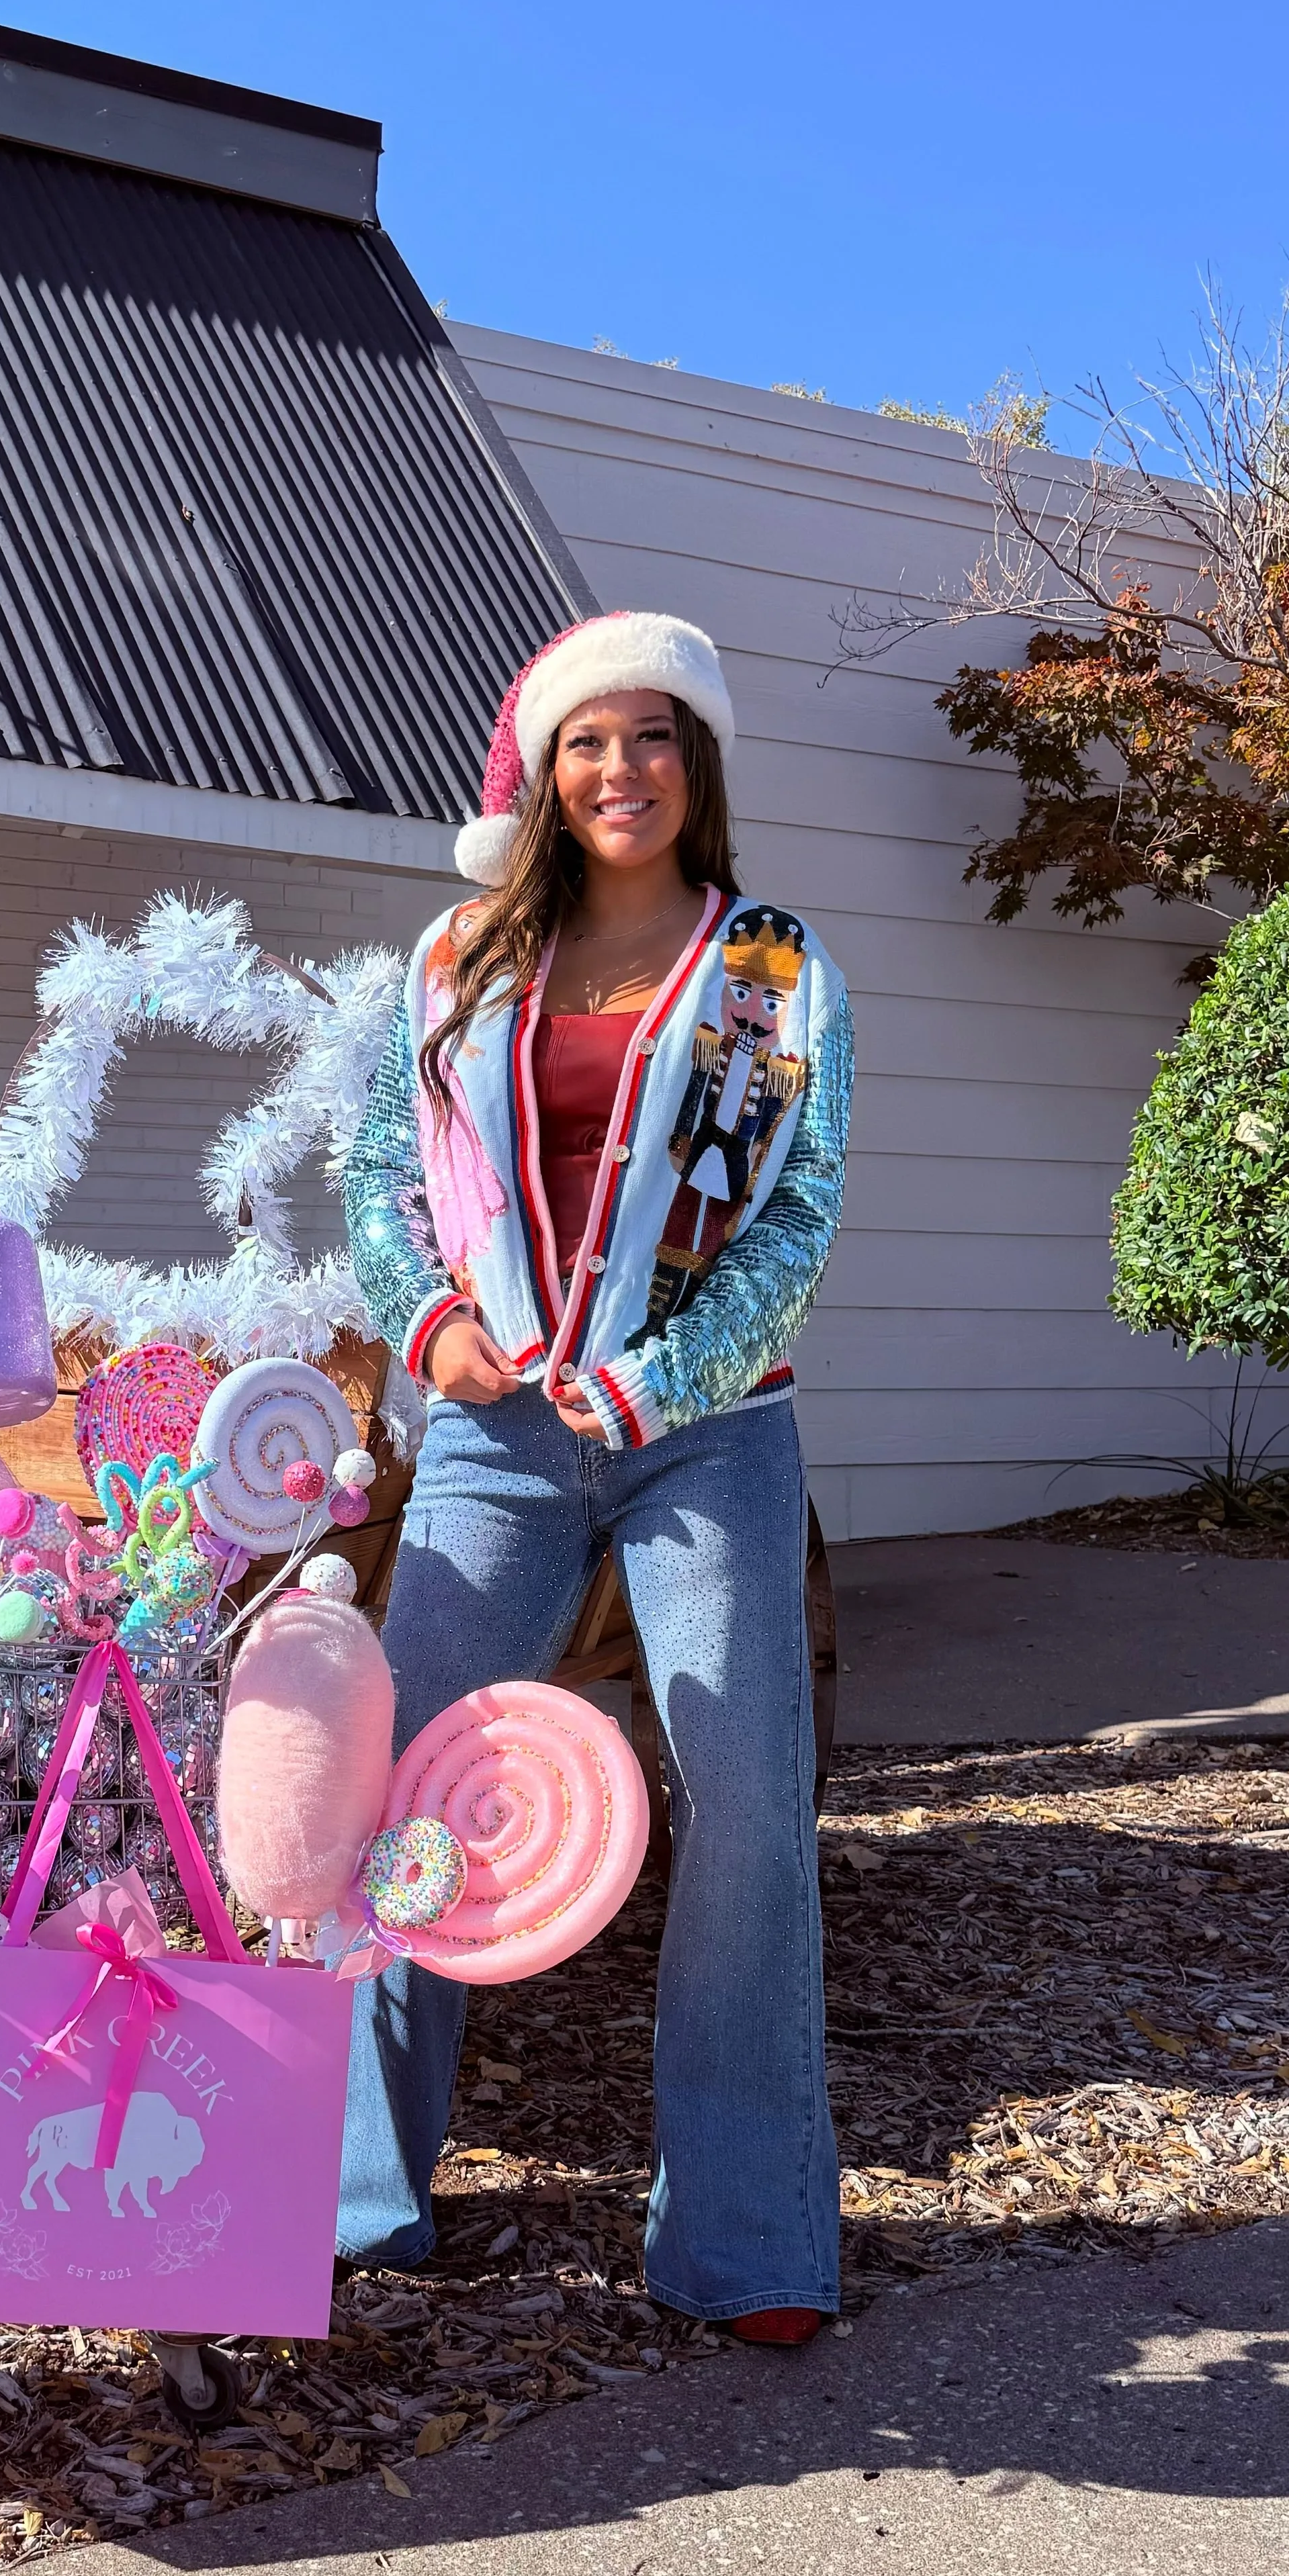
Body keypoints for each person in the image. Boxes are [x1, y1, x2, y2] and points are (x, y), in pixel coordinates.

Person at [336, 610, 852, 2340]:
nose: (618, 770)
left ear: (697, 768)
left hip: (707, 1441)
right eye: (585, 741)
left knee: (745, 1815)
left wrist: (649, 1378)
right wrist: (430, 1328)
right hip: (492, 1441)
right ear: (543, 774)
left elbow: (790, 1233)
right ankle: (353, 2199)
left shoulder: (771, 975)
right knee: (399, 1802)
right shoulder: (467, 952)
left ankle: (749, 2247)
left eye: (652, 738)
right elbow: (377, 1165)